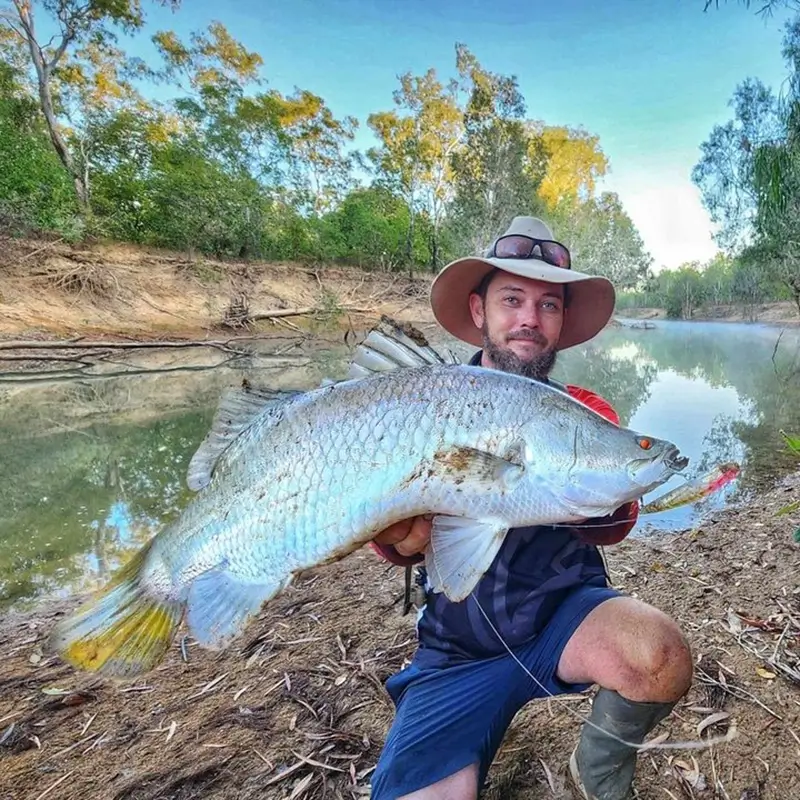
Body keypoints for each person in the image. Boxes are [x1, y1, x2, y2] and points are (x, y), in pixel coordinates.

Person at [366, 216, 693, 800]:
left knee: (661, 654)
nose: (528, 319)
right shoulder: (419, 402)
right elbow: (390, 540)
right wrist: (401, 539)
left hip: (566, 617)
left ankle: (594, 772)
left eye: (548, 305)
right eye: (512, 299)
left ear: (561, 322)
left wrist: (608, 503)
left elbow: (615, 519)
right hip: (456, 649)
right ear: (478, 311)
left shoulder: (585, 409)